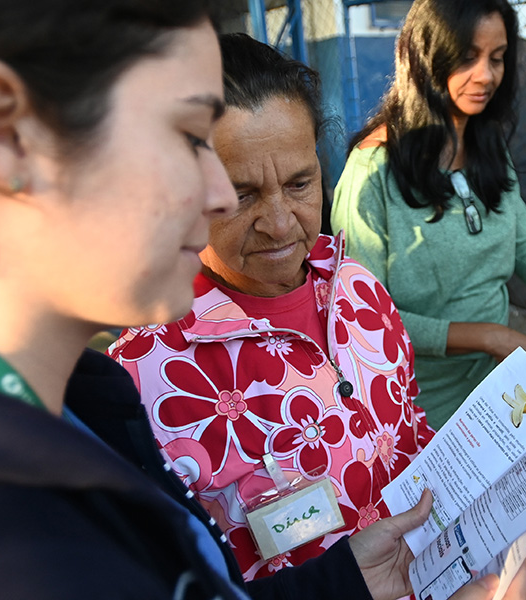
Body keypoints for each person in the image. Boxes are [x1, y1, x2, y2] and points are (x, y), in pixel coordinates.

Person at [0, 2, 525, 599]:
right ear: (3, 131)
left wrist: (346, 583)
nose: (220, 195)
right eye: (188, 134)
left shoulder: (89, 410)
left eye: (301, 181)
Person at [108, 31, 435, 583]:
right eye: (242, 195)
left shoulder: (358, 290)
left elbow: (410, 430)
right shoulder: (144, 378)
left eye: (300, 183)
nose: (281, 223)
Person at [331, 0, 526, 430]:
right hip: (416, 408)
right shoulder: (372, 171)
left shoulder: (488, 147)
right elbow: (365, 318)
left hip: (499, 390)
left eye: (497, 59)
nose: (486, 75)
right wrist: (487, 336)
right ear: (424, 58)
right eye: (467, 58)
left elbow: (521, 245)